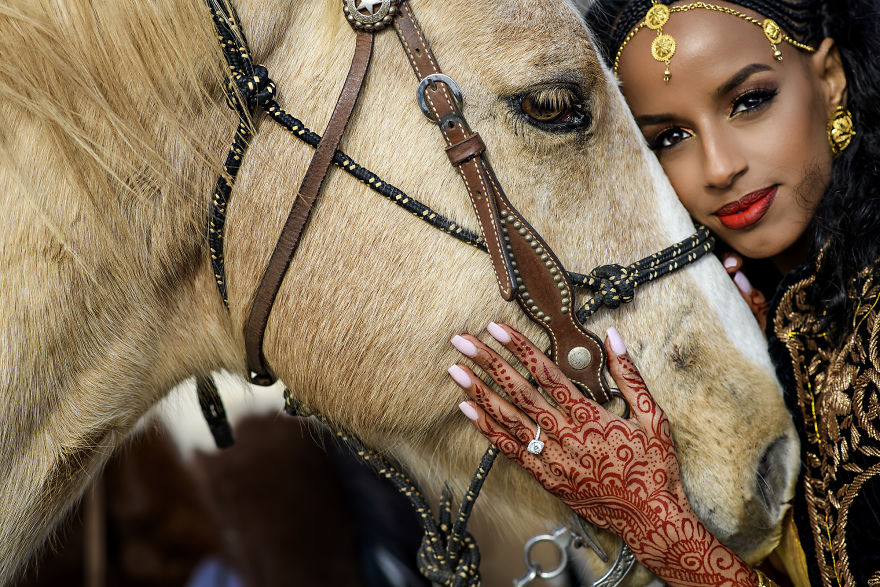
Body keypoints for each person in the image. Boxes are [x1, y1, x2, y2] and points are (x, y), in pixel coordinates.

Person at [446, 0, 880, 585]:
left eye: (749, 102)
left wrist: (666, 536)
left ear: (830, 82)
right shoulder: (767, 313)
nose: (719, 167)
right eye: (670, 136)